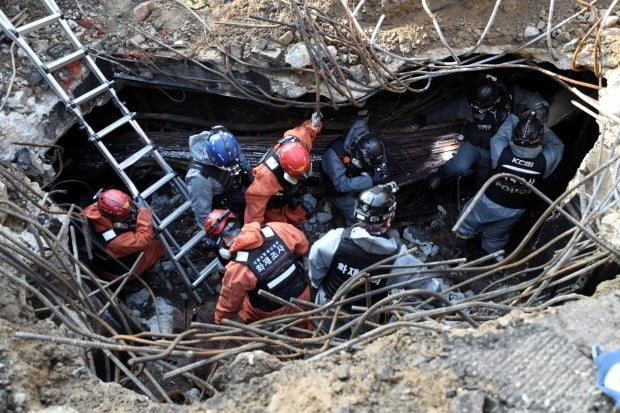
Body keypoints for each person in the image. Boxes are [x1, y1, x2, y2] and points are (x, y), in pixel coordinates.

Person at [309, 183, 444, 310]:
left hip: (327, 308)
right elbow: (429, 288)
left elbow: (316, 269)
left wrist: (317, 286)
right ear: (389, 220)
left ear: (357, 214)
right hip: (364, 319)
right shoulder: (399, 260)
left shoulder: (334, 240)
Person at [453, 113, 564, 259]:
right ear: (539, 138)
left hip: (489, 202)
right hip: (515, 210)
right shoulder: (546, 161)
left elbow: (503, 132)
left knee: (468, 222)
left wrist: (516, 119)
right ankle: (485, 258)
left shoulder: (500, 151)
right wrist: (540, 126)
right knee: (496, 235)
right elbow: (557, 144)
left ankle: (457, 249)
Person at [420, 74, 550, 190]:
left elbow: (536, 101)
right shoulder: (469, 102)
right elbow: (447, 111)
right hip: (472, 144)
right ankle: (439, 178)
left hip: (495, 149)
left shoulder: (511, 95)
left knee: (482, 180)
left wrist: (535, 121)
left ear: (496, 99)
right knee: (458, 167)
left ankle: (475, 195)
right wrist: (425, 119)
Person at [204, 209, 312, 329]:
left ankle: (260, 331)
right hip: (303, 293)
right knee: (303, 326)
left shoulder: (237, 269)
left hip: (277, 310)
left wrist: (219, 320)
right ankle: (304, 334)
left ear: (223, 240)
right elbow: (303, 246)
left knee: (245, 310)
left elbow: (229, 305)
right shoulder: (275, 228)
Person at [244, 113, 322, 226]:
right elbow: (254, 213)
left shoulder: (296, 142)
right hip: (273, 204)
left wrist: (313, 126)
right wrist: (254, 235)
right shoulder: (265, 179)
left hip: (286, 194)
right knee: (281, 228)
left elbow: (304, 132)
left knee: (299, 216)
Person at [83, 189, 166, 281]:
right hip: (119, 274)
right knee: (156, 245)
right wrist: (144, 212)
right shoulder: (115, 241)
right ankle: (154, 267)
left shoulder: (93, 210)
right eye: (125, 214)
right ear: (113, 216)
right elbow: (144, 238)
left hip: (104, 259)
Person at [321, 119, 389, 223]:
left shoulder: (371, 137)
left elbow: (380, 156)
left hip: (361, 176)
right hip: (339, 190)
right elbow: (341, 185)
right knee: (359, 216)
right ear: (357, 154)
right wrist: (371, 181)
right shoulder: (334, 155)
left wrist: (382, 167)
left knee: (381, 204)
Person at [185, 126, 252, 229]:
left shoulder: (226, 142)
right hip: (227, 212)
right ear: (212, 159)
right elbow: (203, 215)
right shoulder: (199, 179)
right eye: (226, 167)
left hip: (240, 193)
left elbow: (245, 167)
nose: (231, 168)